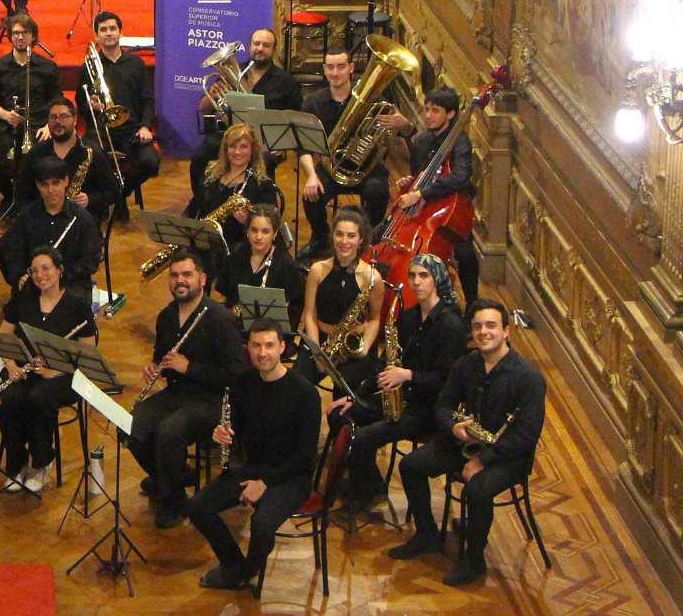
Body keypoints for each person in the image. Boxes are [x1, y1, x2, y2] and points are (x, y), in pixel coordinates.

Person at [390, 298, 546, 587]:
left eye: (491, 326)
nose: (483, 332)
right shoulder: (466, 365)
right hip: (468, 442)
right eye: (477, 327)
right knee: (411, 465)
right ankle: (426, 534)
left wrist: (482, 461)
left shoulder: (528, 378)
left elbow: (526, 436)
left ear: (506, 331)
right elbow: (443, 405)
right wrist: (454, 425)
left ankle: (474, 560)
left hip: (507, 456)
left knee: (477, 489)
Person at [189, 317, 322, 591]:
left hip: (291, 476)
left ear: (283, 348)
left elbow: (305, 457)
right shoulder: (243, 382)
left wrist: (266, 483)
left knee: (261, 525)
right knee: (197, 506)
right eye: (256, 346)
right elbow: (236, 425)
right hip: (255, 467)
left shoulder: (305, 393)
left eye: (270, 345)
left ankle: (243, 572)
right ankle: (236, 566)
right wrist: (223, 433)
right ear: (248, 348)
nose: (263, 353)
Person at [330, 253, 466, 513]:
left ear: (437, 280)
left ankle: (364, 492)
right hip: (401, 396)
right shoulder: (410, 317)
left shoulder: (451, 325)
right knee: (341, 413)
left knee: (363, 437)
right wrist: (356, 395)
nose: (416, 282)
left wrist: (408, 375)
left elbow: (447, 381)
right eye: (412, 275)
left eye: (423, 276)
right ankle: (369, 482)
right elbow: (384, 364)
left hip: (428, 408)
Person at [128, 251, 246, 529]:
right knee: (131, 425)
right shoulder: (167, 316)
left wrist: (189, 367)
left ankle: (175, 501)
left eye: (187, 275)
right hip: (178, 393)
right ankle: (173, 474)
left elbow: (235, 374)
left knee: (169, 430)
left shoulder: (220, 319)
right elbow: (162, 356)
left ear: (202, 279)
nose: (180, 281)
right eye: (174, 275)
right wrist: (154, 366)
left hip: (213, 400)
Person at [0, 247, 98, 492]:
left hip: (63, 375)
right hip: (23, 369)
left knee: (39, 399)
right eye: (34, 270)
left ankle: (42, 462)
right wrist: (10, 365)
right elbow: (2, 338)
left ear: (60, 270)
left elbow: (87, 352)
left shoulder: (77, 304)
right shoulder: (23, 299)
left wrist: (56, 370)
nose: (40, 275)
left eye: (46, 268)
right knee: (10, 400)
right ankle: (16, 463)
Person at [297, 44, 406, 258]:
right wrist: (311, 176)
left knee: (378, 192)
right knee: (311, 194)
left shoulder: (374, 98)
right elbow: (304, 146)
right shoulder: (313, 102)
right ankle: (320, 237)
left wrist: (403, 122)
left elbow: (406, 130)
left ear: (351, 68)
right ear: (324, 69)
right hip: (331, 167)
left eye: (341, 66)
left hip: (368, 167)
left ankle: (367, 240)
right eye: (330, 67)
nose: (335, 72)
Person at [190, 28, 302, 202]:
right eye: (256, 44)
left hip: (264, 141)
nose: (260, 48)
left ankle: (265, 210)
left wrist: (284, 142)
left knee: (264, 162)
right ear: (249, 47)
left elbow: (295, 117)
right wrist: (211, 93)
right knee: (199, 157)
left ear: (273, 50)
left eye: (266, 45)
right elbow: (206, 109)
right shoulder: (232, 71)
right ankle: (200, 204)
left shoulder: (286, 81)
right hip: (229, 135)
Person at [395, 85, 481, 303]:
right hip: (425, 205)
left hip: (453, 207)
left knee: (466, 255)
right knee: (380, 233)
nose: (428, 116)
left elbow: (460, 176)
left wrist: (421, 192)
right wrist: (410, 183)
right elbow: (419, 173)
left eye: (435, 110)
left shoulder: (461, 142)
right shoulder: (422, 141)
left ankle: (472, 304)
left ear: (451, 114)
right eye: (426, 109)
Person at [75, 11, 159, 207]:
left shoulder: (136, 64)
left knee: (150, 163)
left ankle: (119, 194)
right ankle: (110, 197)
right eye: (103, 30)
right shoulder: (88, 67)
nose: (108, 33)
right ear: (97, 36)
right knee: (90, 155)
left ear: (121, 33)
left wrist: (146, 126)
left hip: (131, 129)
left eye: (113, 28)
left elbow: (148, 100)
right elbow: (81, 104)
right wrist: (92, 106)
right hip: (100, 130)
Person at [296, 207, 384, 389]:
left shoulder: (372, 277)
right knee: (297, 384)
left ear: (361, 239)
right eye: (339, 234)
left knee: (345, 392)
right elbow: (310, 314)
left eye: (351, 236)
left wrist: (363, 349)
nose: (344, 241)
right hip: (320, 339)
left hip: (353, 342)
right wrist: (318, 353)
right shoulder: (317, 270)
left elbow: (375, 318)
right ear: (333, 236)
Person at [0, 156, 101, 298]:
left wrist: (58, 276)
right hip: (36, 283)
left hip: (70, 285)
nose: (50, 190)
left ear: (66, 182)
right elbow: (14, 253)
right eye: (44, 184)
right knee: (16, 313)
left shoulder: (83, 219)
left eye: (56, 183)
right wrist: (21, 276)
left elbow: (90, 262)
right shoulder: (26, 216)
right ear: (37, 185)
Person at [185, 122, 279, 280]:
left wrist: (248, 221)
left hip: (239, 242)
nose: (237, 152)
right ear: (225, 149)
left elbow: (271, 219)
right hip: (207, 238)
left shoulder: (261, 183)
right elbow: (196, 204)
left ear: (252, 150)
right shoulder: (211, 175)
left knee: (209, 260)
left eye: (243, 146)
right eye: (232, 146)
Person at [15, 96, 122, 221]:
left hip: (82, 225)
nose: (58, 121)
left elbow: (114, 192)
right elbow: (21, 193)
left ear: (75, 119)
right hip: (43, 223)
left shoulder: (93, 152)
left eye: (64, 116)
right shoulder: (37, 153)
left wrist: (90, 199)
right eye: (53, 117)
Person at [214, 204, 304, 326]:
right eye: (254, 230)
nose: (258, 237)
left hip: (268, 331)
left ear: (275, 233)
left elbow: (283, 312)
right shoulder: (235, 257)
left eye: (265, 232)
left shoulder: (285, 264)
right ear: (247, 230)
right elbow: (223, 300)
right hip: (234, 326)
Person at [0, 13, 60, 158]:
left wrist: (49, 127)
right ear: (10, 36)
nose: (20, 37)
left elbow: (57, 101)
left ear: (33, 36)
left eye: (25, 32)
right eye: (16, 33)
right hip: (7, 126)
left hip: (38, 124)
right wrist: (7, 115)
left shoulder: (47, 67)